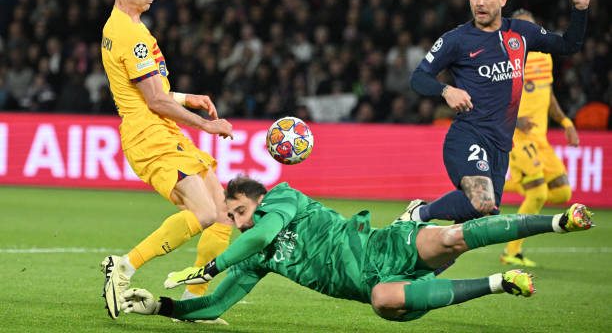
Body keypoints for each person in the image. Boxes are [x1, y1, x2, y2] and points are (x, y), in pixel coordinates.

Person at [116, 176, 592, 323]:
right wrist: (161, 307)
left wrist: (213, 264)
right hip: (382, 288)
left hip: (387, 246)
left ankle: (558, 220)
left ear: (259, 199)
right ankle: (499, 283)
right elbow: (215, 306)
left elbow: (259, 233)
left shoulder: (283, 199)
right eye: (232, 216)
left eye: (240, 211)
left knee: (453, 237)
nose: (238, 222)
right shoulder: (256, 257)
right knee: (384, 300)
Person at [99, 0, 234, 320]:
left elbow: (150, 91)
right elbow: (154, 101)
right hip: (150, 136)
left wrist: (186, 98)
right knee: (204, 213)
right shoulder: (130, 35)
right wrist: (205, 125)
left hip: (162, 130)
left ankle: (192, 304)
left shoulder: (125, 28)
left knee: (223, 215)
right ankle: (123, 267)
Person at [400, 0, 589, 227]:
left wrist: (580, 8)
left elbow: (569, 45)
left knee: (476, 223)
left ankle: (425, 253)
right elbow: (418, 77)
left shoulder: (521, 33)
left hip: (500, 146)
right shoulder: (456, 40)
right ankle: (420, 212)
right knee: (482, 201)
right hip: (469, 135)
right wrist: (446, 90)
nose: (480, 3)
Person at [501, 9, 580, 267]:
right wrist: (514, 120)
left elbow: (548, 95)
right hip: (517, 136)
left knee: (562, 192)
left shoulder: (545, 57)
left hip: (541, 139)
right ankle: (512, 252)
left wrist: (566, 122)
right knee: (537, 194)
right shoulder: (505, 60)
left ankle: (503, 185)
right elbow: (490, 99)